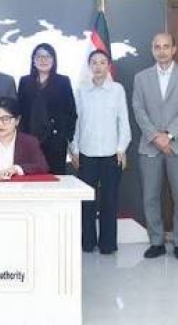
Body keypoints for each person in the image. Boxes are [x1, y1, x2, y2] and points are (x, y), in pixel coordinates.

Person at [132, 33, 178, 261]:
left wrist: (168, 136)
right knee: (150, 197)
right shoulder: (141, 78)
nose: (162, 51)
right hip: (149, 146)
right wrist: (155, 137)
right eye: (157, 47)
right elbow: (138, 110)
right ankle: (156, 242)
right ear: (152, 50)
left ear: (174, 49)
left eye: (166, 46)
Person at [71, 49, 131, 254]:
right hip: (86, 153)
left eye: (102, 62)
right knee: (87, 201)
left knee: (109, 201)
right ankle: (87, 243)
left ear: (108, 66)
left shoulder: (117, 90)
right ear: (89, 66)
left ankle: (107, 244)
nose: (98, 66)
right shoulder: (81, 90)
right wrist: (74, 149)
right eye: (94, 62)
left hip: (111, 154)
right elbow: (76, 122)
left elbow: (123, 122)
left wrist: (121, 148)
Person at [17, 43, 77, 175]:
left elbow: (71, 112)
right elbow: (19, 112)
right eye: (39, 56)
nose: (43, 60)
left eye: (47, 56)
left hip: (55, 141)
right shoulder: (25, 81)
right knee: (31, 179)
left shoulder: (63, 81)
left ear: (54, 60)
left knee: (55, 178)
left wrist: (64, 136)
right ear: (33, 61)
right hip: (29, 141)